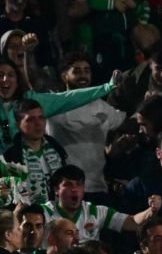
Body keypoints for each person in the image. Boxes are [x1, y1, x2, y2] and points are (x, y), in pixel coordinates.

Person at [0, 59, 117, 176]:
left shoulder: (31, 102)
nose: (6, 79)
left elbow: (68, 98)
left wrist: (106, 87)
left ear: (18, 80)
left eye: (11, 75)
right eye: (0, 75)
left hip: (29, 182)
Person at [45, 52, 127, 205]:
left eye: (86, 70)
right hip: (63, 191)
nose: (83, 75)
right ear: (64, 76)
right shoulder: (53, 104)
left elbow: (126, 124)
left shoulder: (102, 106)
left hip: (98, 190)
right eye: (76, 71)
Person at [39, 165, 162, 242]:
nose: (75, 189)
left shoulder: (95, 211)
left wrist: (151, 210)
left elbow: (133, 222)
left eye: (79, 184)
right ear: (56, 190)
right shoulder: (43, 213)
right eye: (68, 185)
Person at [85, 0, 150, 81]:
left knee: (127, 68)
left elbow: (134, 1)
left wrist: (132, 3)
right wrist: (113, 4)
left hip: (126, 36)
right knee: (106, 70)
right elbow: (95, 1)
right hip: (105, 37)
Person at [0, 99, 68, 207]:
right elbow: (3, 200)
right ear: (18, 125)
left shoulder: (57, 150)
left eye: (41, 118)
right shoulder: (9, 158)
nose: (38, 124)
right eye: (30, 120)